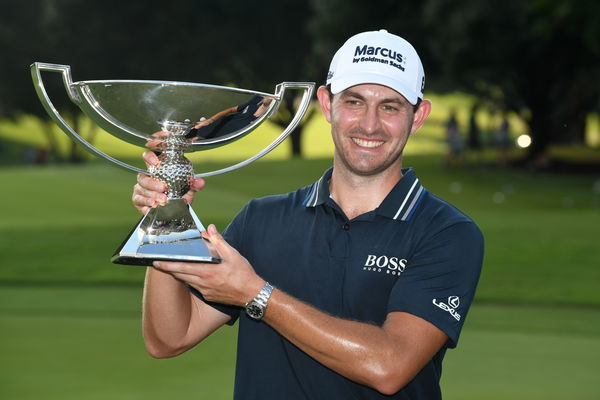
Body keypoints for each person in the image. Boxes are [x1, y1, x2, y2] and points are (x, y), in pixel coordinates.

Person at [133, 29, 484, 399]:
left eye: (390, 106)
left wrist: (256, 293)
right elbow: (169, 339)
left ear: (418, 116)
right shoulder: (261, 218)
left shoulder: (448, 233)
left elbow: (389, 366)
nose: (369, 124)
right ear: (327, 104)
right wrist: (168, 217)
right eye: (354, 101)